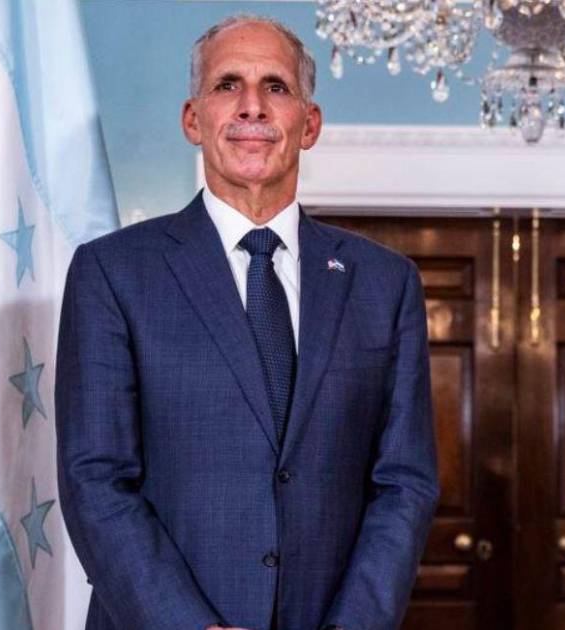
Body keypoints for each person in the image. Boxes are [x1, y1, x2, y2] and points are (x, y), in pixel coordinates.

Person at [56, 15, 438, 630]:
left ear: (309, 124)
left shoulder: (384, 284)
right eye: (228, 84)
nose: (252, 106)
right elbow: (95, 479)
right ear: (193, 119)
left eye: (276, 87)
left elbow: (404, 484)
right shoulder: (113, 273)